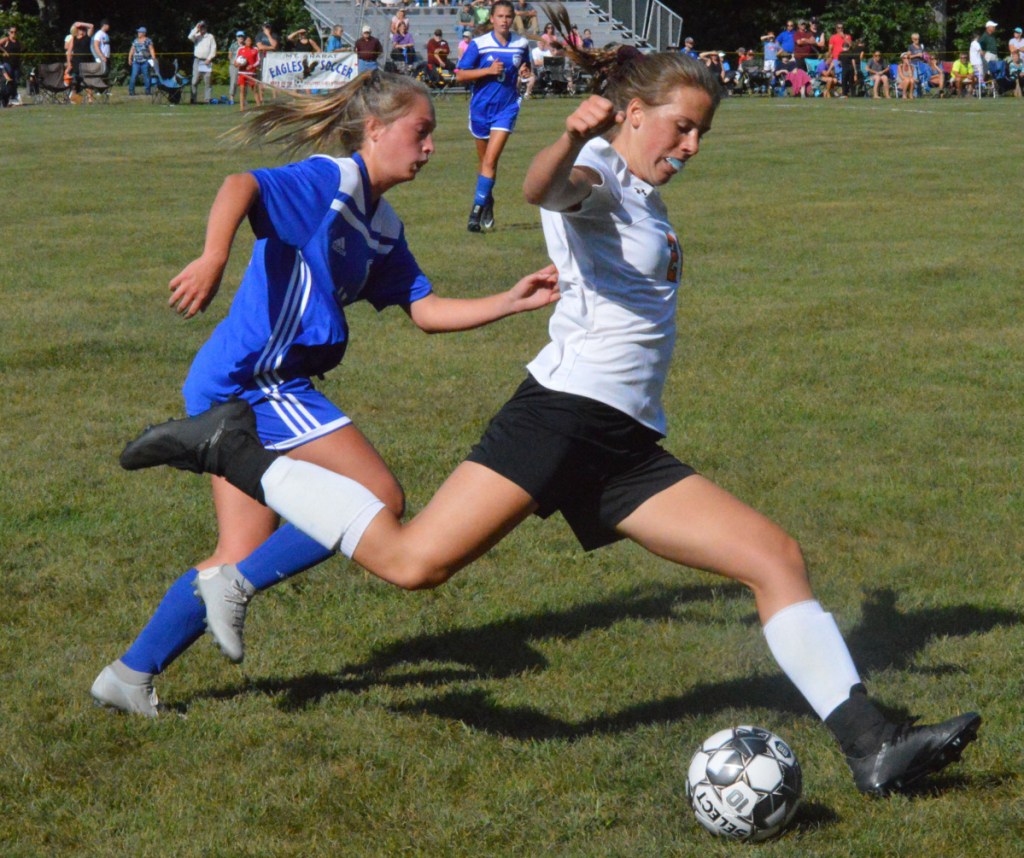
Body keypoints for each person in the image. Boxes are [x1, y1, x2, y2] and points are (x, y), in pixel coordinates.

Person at [122, 30, 982, 800]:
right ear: (632, 114)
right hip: (563, 415)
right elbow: (542, 185)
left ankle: (873, 747)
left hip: (624, 437)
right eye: (679, 126)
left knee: (774, 557)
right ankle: (239, 449)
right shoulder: (600, 172)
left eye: (701, 135)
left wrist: (504, 297)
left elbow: (429, 301)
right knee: (413, 560)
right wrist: (572, 133)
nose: (689, 146)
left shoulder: (644, 190)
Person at [92, 70, 559, 717]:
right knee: (376, 497)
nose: (429, 149)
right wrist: (211, 257)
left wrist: (510, 300)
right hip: (256, 381)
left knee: (242, 549)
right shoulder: (332, 183)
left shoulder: (382, 225)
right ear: (375, 130)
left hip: (248, 382)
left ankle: (129, 674)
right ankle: (231, 586)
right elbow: (242, 185)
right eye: (420, 132)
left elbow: (423, 309)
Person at [455, 0, 532, 233]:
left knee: (490, 161)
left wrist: (526, 72)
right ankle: (487, 201)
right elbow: (460, 75)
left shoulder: (521, 43)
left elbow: (525, 67)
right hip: (480, 110)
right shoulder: (479, 44)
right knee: (484, 163)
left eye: (508, 16)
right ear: (492, 19)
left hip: (506, 109)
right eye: (500, 16)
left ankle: (475, 214)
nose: (504, 21)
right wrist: (487, 71)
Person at [65, 22, 95, 103]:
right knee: (75, 81)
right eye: (80, 29)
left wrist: (81, 24)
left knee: (88, 81)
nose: (82, 30)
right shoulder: (73, 39)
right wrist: (69, 63)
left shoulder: (87, 37)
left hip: (87, 63)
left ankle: (90, 98)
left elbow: (91, 26)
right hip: (76, 63)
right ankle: (74, 98)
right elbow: (69, 51)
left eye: (83, 29)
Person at [188, 20, 217, 104]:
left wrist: (209, 58)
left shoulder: (210, 37)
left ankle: (207, 99)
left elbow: (213, 48)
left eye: (203, 27)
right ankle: (193, 99)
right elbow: (190, 37)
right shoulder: (196, 36)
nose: (202, 29)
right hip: (197, 60)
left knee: (207, 81)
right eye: (201, 27)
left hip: (207, 61)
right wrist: (196, 28)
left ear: (206, 28)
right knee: (194, 81)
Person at [127, 27, 157, 97]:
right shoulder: (135, 41)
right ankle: (131, 91)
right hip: (136, 62)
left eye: (140, 32)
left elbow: (151, 49)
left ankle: (147, 91)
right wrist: (129, 58)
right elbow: (132, 49)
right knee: (133, 76)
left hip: (145, 62)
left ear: (144, 33)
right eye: (138, 32)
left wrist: (153, 59)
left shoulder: (148, 40)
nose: (138, 33)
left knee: (146, 76)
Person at [236, 35, 261, 111]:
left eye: (250, 41)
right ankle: (242, 108)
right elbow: (236, 60)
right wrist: (237, 64)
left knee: (254, 90)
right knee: (242, 90)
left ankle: (259, 106)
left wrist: (252, 66)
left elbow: (258, 61)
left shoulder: (255, 49)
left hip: (251, 73)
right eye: (247, 41)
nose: (249, 42)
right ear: (245, 41)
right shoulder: (240, 49)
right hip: (242, 72)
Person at [0, 24, 24, 105]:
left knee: (15, 82)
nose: (13, 33)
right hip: (7, 64)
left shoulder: (18, 42)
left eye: (15, 32)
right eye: (11, 32)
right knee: (8, 81)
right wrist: (4, 51)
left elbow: (22, 50)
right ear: (9, 33)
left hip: (16, 64)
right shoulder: (6, 40)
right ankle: (6, 98)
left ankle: (14, 97)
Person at [227, 31, 246, 103]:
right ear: (236, 37)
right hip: (234, 66)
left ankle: (243, 98)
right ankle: (231, 97)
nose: (241, 38)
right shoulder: (233, 45)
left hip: (243, 66)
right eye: (239, 36)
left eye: (242, 36)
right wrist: (234, 62)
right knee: (234, 81)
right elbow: (230, 56)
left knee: (243, 82)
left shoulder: (246, 46)